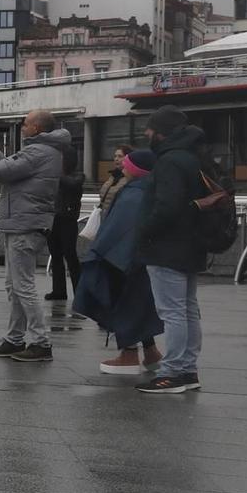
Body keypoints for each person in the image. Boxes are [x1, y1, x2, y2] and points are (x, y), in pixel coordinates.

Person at [0, 109, 73, 363]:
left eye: (26, 124)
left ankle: (40, 342)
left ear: (37, 127)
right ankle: (15, 338)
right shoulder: (43, 150)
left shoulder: (38, 151)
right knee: (14, 286)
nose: (23, 127)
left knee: (23, 287)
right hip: (21, 223)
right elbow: (9, 168)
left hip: (25, 225)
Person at [136, 105, 216, 394]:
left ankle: (172, 373)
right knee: (188, 310)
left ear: (162, 132)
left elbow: (167, 206)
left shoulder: (170, 161)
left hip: (167, 246)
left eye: (150, 128)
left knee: (172, 311)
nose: (146, 133)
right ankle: (188, 369)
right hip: (192, 243)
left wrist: (144, 231)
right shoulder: (195, 157)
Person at [73, 148, 164, 376]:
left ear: (136, 170)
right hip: (141, 258)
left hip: (124, 260)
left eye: (127, 163)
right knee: (138, 303)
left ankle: (129, 354)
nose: (122, 165)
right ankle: (151, 353)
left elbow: (120, 229)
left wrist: (101, 252)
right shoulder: (144, 190)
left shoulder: (134, 194)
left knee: (126, 302)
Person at [45, 146, 84, 302]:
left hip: (68, 220)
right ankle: (59, 290)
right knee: (55, 255)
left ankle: (79, 291)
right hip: (54, 219)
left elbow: (72, 184)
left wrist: (54, 173)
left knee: (70, 255)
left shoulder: (78, 176)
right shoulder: (56, 177)